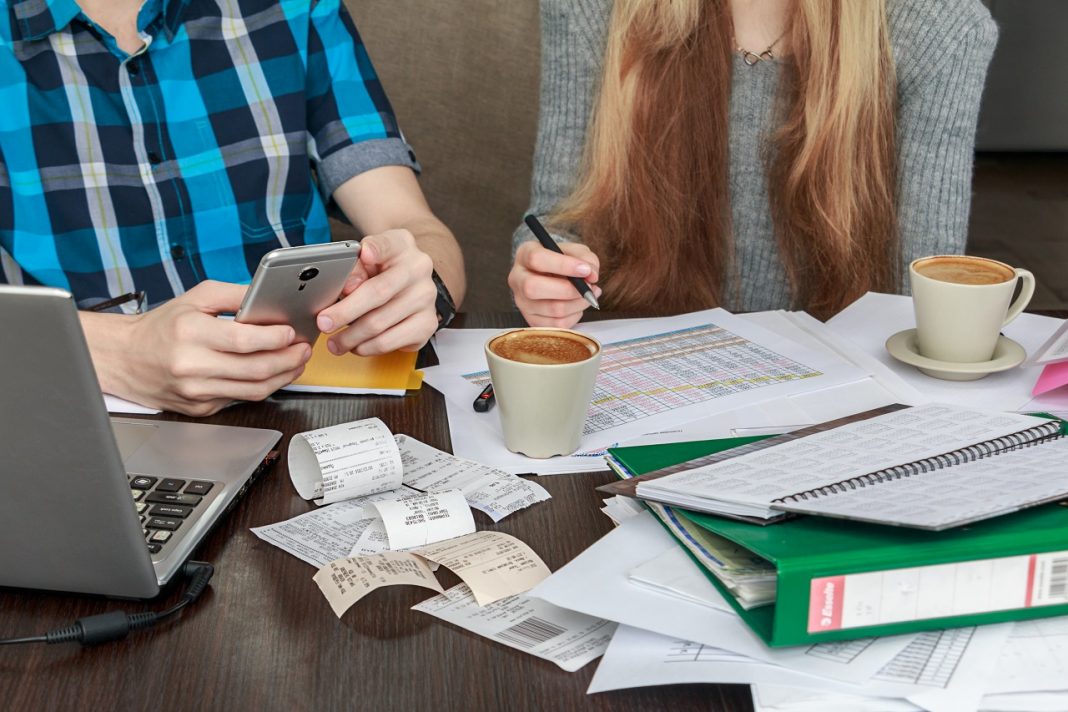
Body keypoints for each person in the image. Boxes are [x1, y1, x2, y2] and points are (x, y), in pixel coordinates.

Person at [0, 0, 465, 415]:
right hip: (67, 414)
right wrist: (114, 350)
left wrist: (424, 283)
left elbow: (411, 226)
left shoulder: (297, 8)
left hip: (305, 406)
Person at [509, 0, 997, 326]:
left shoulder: (942, 26)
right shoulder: (589, 8)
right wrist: (547, 270)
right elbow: (556, 221)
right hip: (637, 397)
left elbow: (927, 299)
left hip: (844, 419)